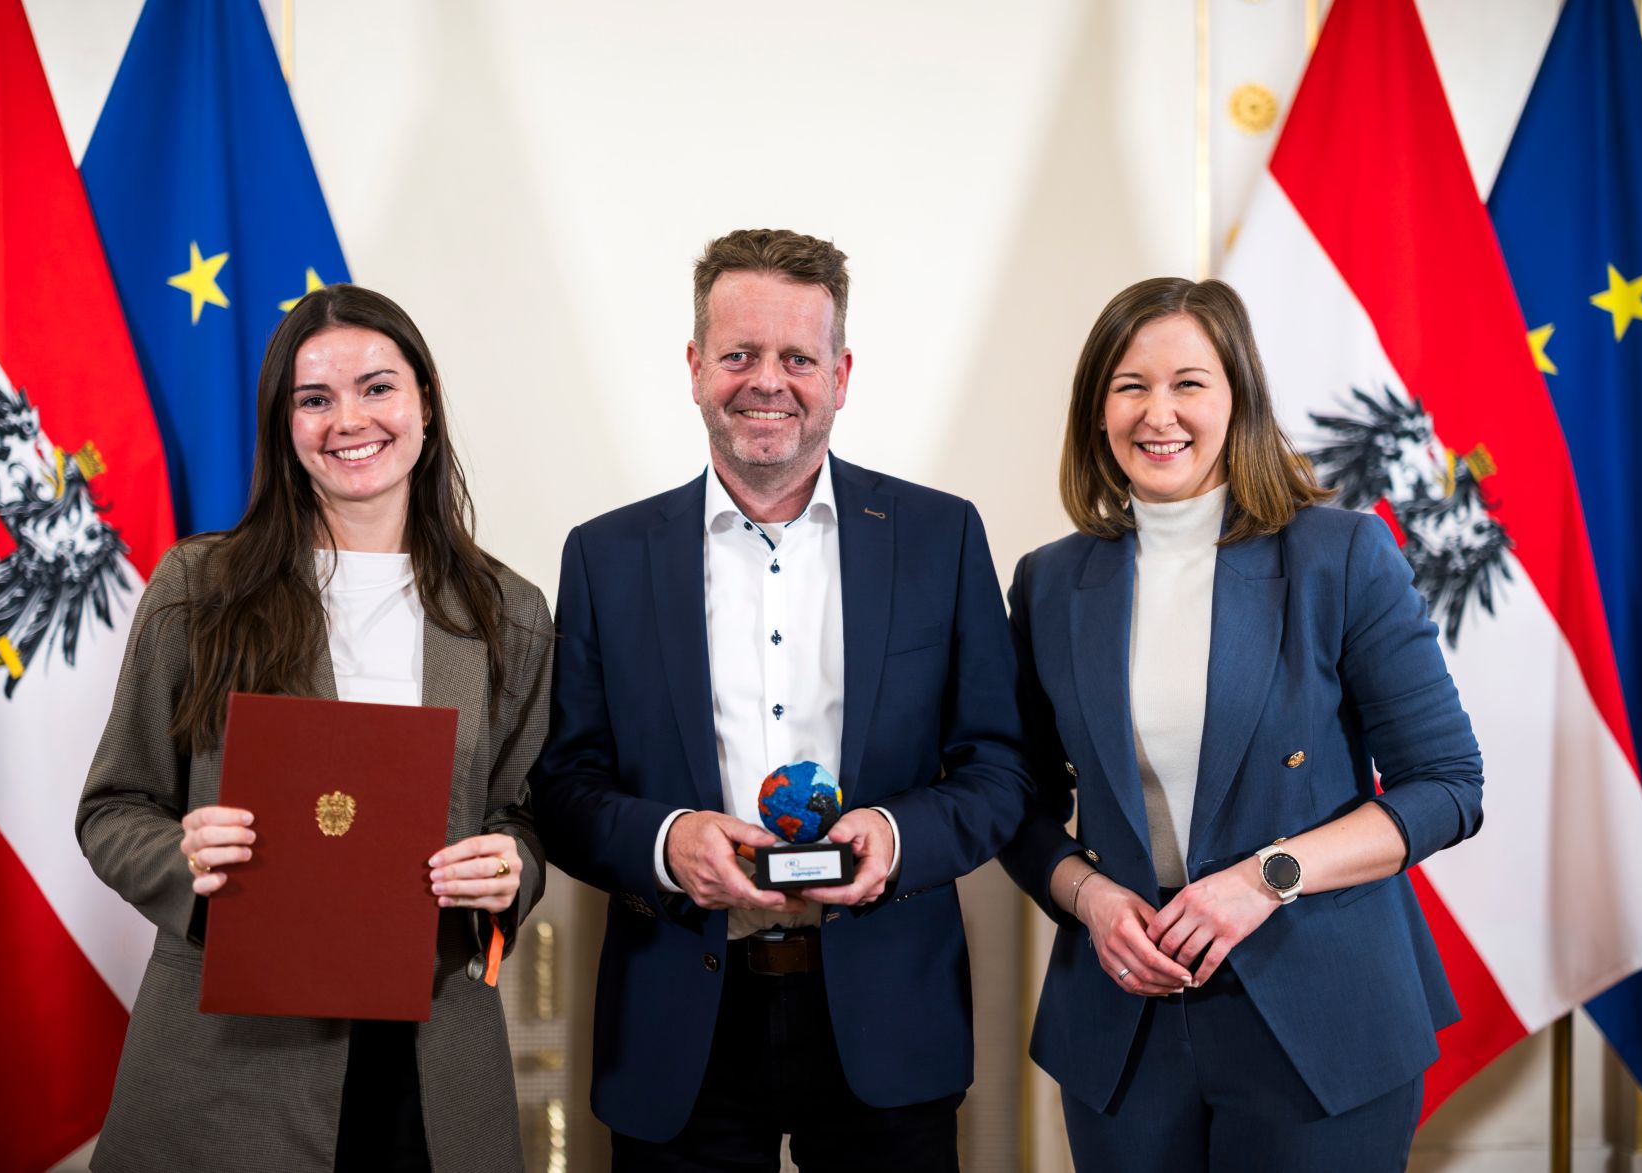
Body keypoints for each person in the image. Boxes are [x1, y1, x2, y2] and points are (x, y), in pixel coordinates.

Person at [530, 228, 1033, 1171]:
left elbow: (1001, 768)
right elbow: (564, 784)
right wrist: (667, 841)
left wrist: (896, 833)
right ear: (694, 367)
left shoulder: (940, 537)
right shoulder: (605, 556)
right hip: (679, 1017)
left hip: (887, 1014)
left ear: (841, 373)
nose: (769, 381)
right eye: (740, 354)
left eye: (798, 357)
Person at [1000, 277, 1484, 1171]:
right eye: (1130, 384)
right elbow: (1015, 802)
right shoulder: (1049, 582)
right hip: (1123, 1030)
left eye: (1190, 382)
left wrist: (1268, 877)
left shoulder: (1339, 553)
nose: (1160, 412)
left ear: (1238, 399)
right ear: (1097, 409)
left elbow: (1449, 787)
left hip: (1322, 1023)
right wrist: (1088, 896)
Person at [76, 284, 552, 1173]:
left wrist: (507, 867)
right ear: (283, 425)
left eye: (377, 387)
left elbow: (519, 814)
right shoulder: (199, 588)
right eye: (315, 398)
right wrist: (182, 852)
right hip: (230, 1061)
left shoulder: (510, 614)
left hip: (430, 1055)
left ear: (424, 405)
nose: (349, 420)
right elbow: (114, 807)